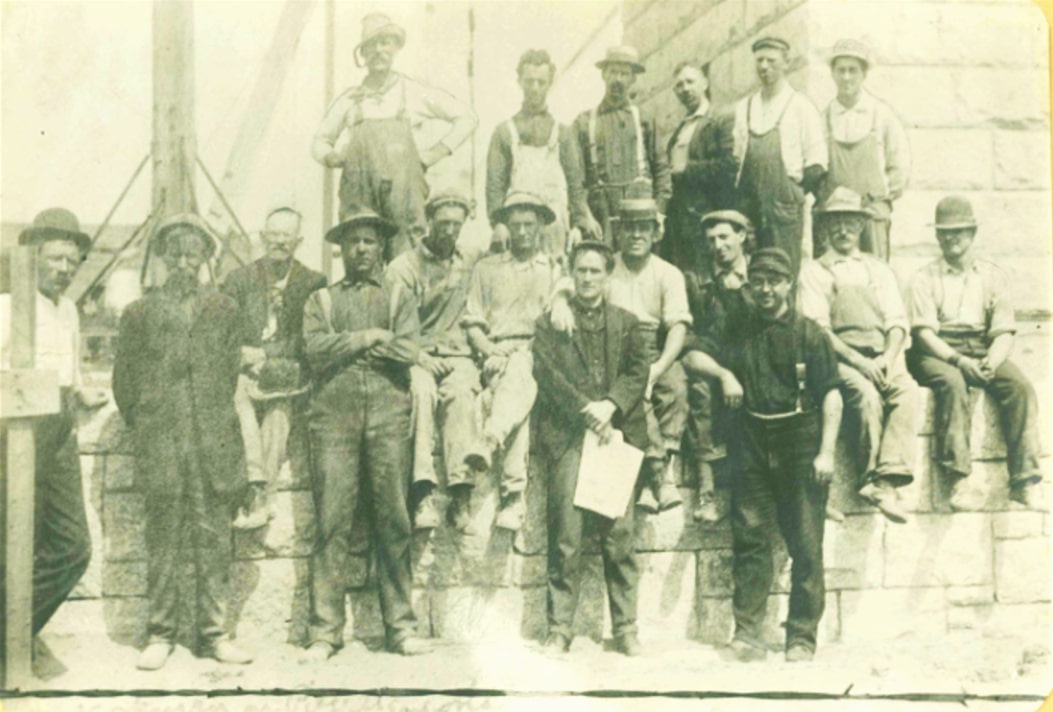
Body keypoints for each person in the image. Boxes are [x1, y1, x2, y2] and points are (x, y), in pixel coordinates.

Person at [112, 214, 253, 671]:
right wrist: (152, 424)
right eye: (176, 254)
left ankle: (214, 634)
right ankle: (160, 633)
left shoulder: (225, 308)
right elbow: (124, 385)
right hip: (163, 443)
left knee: (214, 540)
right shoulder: (140, 312)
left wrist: (208, 420)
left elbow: (229, 372)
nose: (185, 262)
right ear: (163, 258)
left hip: (212, 444)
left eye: (194, 253)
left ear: (205, 259)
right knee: (164, 540)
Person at [299, 205, 429, 662]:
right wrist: (367, 338)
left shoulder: (398, 296)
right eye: (353, 241)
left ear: (381, 247)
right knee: (331, 520)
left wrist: (365, 347)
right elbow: (314, 349)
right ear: (341, 248)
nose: (361, 249)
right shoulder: (322, 300)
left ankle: (400, 627)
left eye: (369, 241)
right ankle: (324, 632)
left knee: (393, 518)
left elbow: (409, 349)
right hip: (333, 415)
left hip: (388, 413)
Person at [532, 239, 650, 657]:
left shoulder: (626, 322)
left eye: (595, 271)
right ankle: (559, 628)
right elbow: (545, 372)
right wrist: (586, 411)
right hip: (570, 434)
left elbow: (639, 370)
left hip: (613, 434)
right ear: (571, 273)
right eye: (581, 270)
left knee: (619, 536)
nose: (587, 278)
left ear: (607, 276)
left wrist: (611, 404)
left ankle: (626, 628)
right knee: (566, 534)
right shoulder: (552, 322)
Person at [727, 247, 842, 664]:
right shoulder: (738, 327)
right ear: (749, 286)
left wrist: (826, 452)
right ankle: (748, 633)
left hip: (800, 440)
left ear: (788, 285)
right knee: (750, 540)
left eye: (773, 281)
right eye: (757, 281)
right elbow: (695, 353)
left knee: (807, 541)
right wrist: (723, 374)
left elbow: (831, 392)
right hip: (753, 439)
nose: (765, 290)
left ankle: (801, 636)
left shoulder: (810, 333)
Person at [0, 208, 102, 666]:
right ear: (33, 256)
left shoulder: (70, 309)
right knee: (9, 541)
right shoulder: (7, 306)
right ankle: (13, 647)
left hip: (58, 429)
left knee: (72, 547)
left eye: (72, 262)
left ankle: (13, 634)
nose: (64, 270)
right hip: (12, 430)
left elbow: (73, 373)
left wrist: (85, 393)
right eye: (56, 259)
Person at [551, 198, 689, 513]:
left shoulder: (668, 273)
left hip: (656, 347)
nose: (636, 235)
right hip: (614, 349)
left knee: (678, 389)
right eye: (629, 229)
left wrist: (656, 369)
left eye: (644, 228)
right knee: (633, 396)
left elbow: (678, 327)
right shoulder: (606, 268)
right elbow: (572, 284)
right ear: (619, 232)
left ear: (656, 233)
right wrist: (559, 298)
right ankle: (654, 476)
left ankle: (663, 467)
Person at [906, 196, 1044, 511]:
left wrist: (991, 363)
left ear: (973, 233)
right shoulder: (924, 278)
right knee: (953, 384)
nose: (951, 238)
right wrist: (958, 361)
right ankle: (957, 480)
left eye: (959, 231)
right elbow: (924, 333)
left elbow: (1004, 330)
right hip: (937, 349)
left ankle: (1024, 480)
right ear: (937, 236)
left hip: (983, 346)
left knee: (1020, 387)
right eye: (945, 232)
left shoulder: (993, 276)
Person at [311, 13, 478, 260]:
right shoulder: (350, 99)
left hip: (405, 205)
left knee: (407, 263)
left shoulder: (412, 91)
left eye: (385, 43)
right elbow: (319, 141)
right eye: (371, 45)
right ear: (363, 54)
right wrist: (332, 156)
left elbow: (467, 118)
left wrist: (433, 154)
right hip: (360, 204)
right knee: (363, 264)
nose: (378, 51)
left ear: (395, 48)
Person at [800, 188, 915, 524]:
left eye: (850, 223)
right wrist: (860, 362)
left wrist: (886, 359)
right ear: (825, 228)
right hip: (840, 358)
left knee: (907, 392)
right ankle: (869, 477)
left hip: (882, 357)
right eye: (836, 223)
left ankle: (888, 479)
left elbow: (897, 322)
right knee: (866, 398)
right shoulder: (814, 271)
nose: (843, 230)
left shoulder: (878, 270)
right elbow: (820, 331)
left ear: (861, 227)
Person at [457, 192, 564, 532]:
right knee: (514, 394)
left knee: (518, 372)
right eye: (514, 225)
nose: (521, 232)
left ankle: (489, 441)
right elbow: (472, 321)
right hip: (497, 356)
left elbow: (562, 313)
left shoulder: (553, 269)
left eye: (529, 225)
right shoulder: (486, 269)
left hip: (538, 354)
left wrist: (562, 299)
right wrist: (489, 351)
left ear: (541, 227)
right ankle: (513, 498)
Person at [385, 189, 484, 530]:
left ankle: (460, 493)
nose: (449, 231)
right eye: (443, 224)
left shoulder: (470, 260)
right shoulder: (403, 268)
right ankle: (423, 492)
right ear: (429, 222)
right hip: (417, 355)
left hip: (458, 355)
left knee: (461, 396)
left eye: (457, 224)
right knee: (421, 395)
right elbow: (393, 327)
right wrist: (419, 357)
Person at [224, 206, 327, 530]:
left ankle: (261, 499)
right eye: (273, 235)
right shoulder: (239, 280)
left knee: (279, 412)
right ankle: (256, 479)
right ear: (262, 237)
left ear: (298, 241)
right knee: (236, 395)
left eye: (286, 236)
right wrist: (244, 353)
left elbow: (309, 338)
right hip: (246, 371)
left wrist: (265, 355)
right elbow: (224, 330)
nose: (279, 242)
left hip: (287, 372)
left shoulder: (313, 283)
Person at [486, 49, 600, 259]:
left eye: (541, 82)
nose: (535, 89)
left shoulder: (563, 134)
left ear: (550, 83)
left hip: (555, 227)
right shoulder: (504, 132)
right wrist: (498, 224)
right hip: (518, 226)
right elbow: (495, 187)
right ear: (519, 81)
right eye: (529, 82)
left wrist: (578, 225)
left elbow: (576, 186)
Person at [680, 210, 754, 522]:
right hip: (711, 353)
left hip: (754, 353)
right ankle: (706, 494)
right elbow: (691, 336)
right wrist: (722, 372)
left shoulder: (760, 273)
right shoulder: (697, 280)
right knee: (700, 389)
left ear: (742, 236)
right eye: (711, 240)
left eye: (724, 237)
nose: (718, 245)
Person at [733, 37, 827, 274]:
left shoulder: (801, 106)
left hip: (785, 210)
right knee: (753, 269)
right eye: (760, 60)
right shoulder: (744, 107)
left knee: (786, 271)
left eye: (771, 60)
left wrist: (791, 195)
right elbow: (737, 159)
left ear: (786, 63)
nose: (764, 66)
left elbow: (816, 163)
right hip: (750, 206)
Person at [817, 39, 910, 260]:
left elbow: (899, 167)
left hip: (870, 216)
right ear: (833, 73)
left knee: (874, 278)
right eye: (841, 70)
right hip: (834, 219)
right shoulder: (824, 118)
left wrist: (879, 199)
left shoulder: (881, 115)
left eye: (853, 70)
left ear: (864, 73)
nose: (846, 77)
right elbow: (814, 170)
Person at [573, 46, 671, 244]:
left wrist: (659, 214)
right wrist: (584, 217)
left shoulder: (644, 119)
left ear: (633, 79)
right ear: (603, 75)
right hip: (600, 218)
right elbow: (575, 179)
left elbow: (662, 170)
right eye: (613, 72)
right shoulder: (584, 122)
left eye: (624, 74)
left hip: (639, 215)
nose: (618, 79)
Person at [662, 62, 737, 276]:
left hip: (709, 220)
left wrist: (686, 169)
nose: (685, 89)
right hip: (682, 224)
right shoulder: (681, 128)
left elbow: (729, 167)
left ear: (705, 83)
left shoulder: (720, 120)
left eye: (690, 82)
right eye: (679, 85)